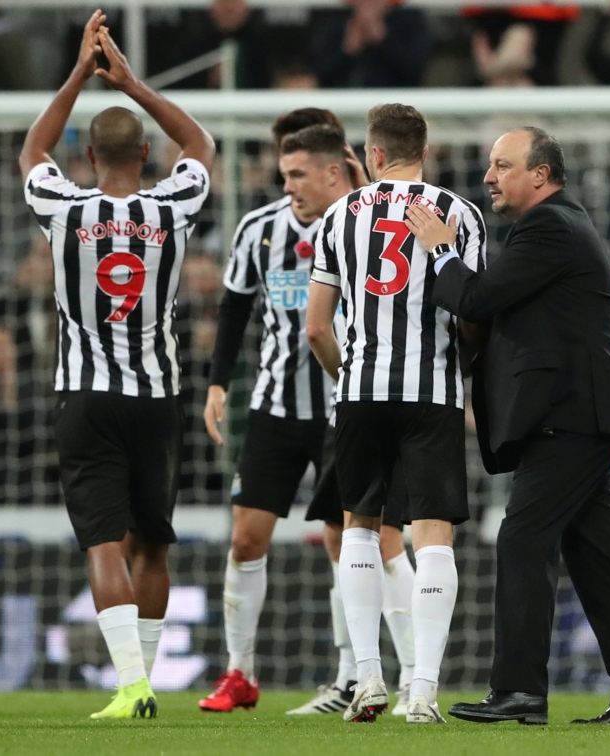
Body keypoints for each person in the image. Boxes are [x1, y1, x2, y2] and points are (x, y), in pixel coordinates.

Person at [405, 126, 610, 725]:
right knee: (599, 562)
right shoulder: (557, 227)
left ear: (540, 175)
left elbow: (476, 298)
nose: (489, 177)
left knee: (523, 540)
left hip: (570, 417)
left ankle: (520, 692)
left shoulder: (551, 227)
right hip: (580, 417)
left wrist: (442, 248)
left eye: (502, 165)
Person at [19, 10, 215, 720]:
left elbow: (32, 149)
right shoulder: (173, 207)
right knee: (154, 545)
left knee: (103, 540)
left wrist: (79, 73)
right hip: (157, 398)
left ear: (90, 159)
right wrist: (132, 84)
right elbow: (200, 140)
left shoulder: (63, 209)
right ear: (146, 157)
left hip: (86, 397)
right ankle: (147, 680)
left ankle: (129, 685)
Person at [200, 114, 416, 717]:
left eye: (297, 172)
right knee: (246, 539)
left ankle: (357, 677)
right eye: (283, 172)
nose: (287, 183)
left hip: (340, 407)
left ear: (332, 170)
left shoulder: (363, 228)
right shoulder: (257, 229)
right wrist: (217, 384)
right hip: (274, 406)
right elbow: (235, 308)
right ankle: (239, 674)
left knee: (349, 540)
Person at [306, 104, 486, 724]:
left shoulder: (337, 215)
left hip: (360, 391)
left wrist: (348, 376)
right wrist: (458, 369)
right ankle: (424, 692)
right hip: (431, 392)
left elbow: (316, 327)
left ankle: (367, 681)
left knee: (359, 526)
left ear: (373, 154)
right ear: (425, 152)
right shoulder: (459, 213)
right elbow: (474, 313)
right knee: (432, 535)